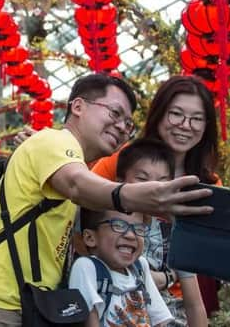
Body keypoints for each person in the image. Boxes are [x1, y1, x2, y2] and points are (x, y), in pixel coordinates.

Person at [0, 73, 213, 326]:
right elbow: (78, 184)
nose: (122, 127)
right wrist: (137, 196)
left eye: (128, 123)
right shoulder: (54, 141)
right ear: (78, 106)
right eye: (115, 113)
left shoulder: (74, 159)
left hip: (29, 306)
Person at [92, 75, 220, 326]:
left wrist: (165, 278)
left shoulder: (210, 187)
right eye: (176, 114)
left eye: (196, 119)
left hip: (178, 308)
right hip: (114, 297)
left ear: (207, 126)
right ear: (159, 114)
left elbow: (207, 262)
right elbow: (83, 219)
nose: (185, 125)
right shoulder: (117, 162)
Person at [69, 138, 176, 327]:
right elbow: (89, 319)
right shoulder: (87, 268)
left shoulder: (139, 267)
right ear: (90, 237)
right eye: (118, 226)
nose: (130, 235)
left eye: (138, 228)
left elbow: (160, 319)